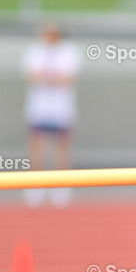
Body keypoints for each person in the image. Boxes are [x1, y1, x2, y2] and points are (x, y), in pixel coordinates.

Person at [21, 23, 81, 207]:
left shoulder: (69, 52)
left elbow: (68, 77)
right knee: (36, 147)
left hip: (61, 109)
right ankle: (35, 186)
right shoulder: (34, 51)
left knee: (61, 148)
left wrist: (48, 77)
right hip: (39, 108)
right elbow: (31, 75)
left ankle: (60, 186)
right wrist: (50, 77)